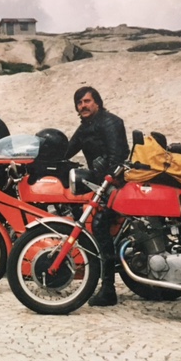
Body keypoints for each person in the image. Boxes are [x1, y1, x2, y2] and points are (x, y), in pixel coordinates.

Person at [66, 86, 129, 307]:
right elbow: (67, 149)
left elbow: (117, 157)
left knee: (100, 227)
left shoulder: (111, 122)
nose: (83, 106)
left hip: (115, 184)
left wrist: (107, 178)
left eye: (87, 101)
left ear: (97, 103)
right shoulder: (85, 128)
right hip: (101, 182)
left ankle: (108, 289)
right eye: (79, 103)